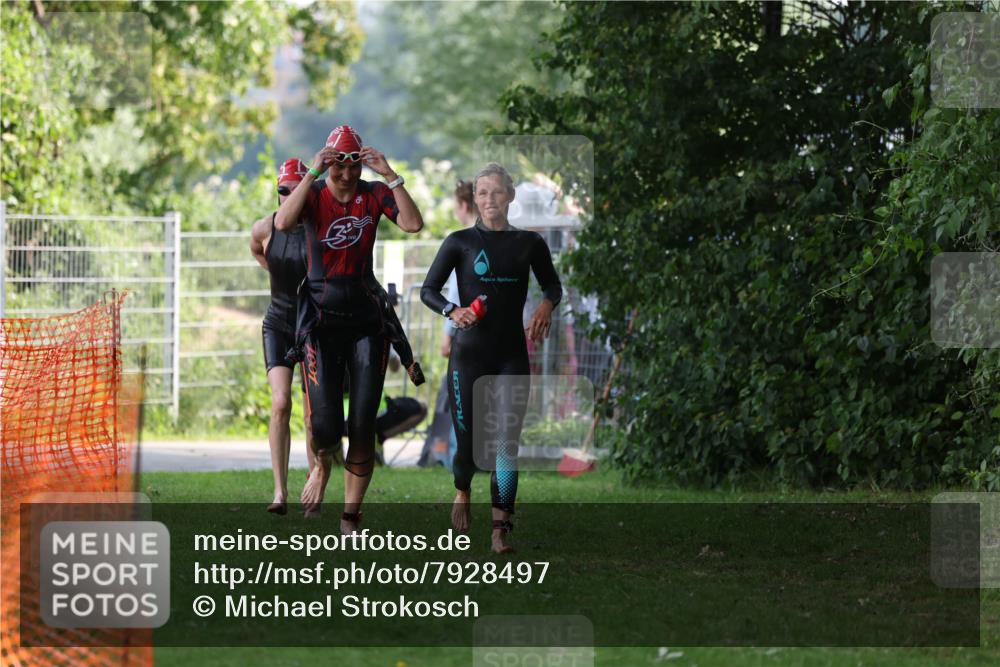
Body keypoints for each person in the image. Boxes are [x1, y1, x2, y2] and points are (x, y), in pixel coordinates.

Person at [275, 125, 423, 532]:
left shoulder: (373, 195)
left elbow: (412, 224)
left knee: (361, 424)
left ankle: (351, 516)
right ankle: (321, 465)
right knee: (323, 427)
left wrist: (391, 175)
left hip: (365, 321)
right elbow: (284, 223)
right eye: (338, 168)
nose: (345, 176)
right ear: (329, 165)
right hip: (321, 321)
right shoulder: (314, 195)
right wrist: (311, 174)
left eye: (352, 168)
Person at [420, 163, 562, 553]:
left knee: (505, 443)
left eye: (496, 192)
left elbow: (553, 284)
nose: (489, 200)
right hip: (469, 356)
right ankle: (462, 489)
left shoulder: (529, 243)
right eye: (482, 193)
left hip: (511, 355)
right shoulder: (459, 242)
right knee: (466, 448)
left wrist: (546, 306)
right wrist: (453, 310)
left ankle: (501, 529)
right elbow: (428, 290)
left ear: (510, 196)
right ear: (475, 198)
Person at [249, 158, 314, 516]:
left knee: (311, 416)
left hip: (311, 326)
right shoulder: (265, 228)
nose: (289, 196)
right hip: (277, 321)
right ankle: (279, 492)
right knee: (279, 404)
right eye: (283, 191)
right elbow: (257, 250)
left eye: (295, 190)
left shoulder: (317, 230)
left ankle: (313, 480)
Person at [419, 179, 477, 469]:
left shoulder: (462, 241)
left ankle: (457, 455)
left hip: (462, 326)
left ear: (464, 205)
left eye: (455, 205)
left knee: (460, 396)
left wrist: (448, 332)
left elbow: (455, 292)